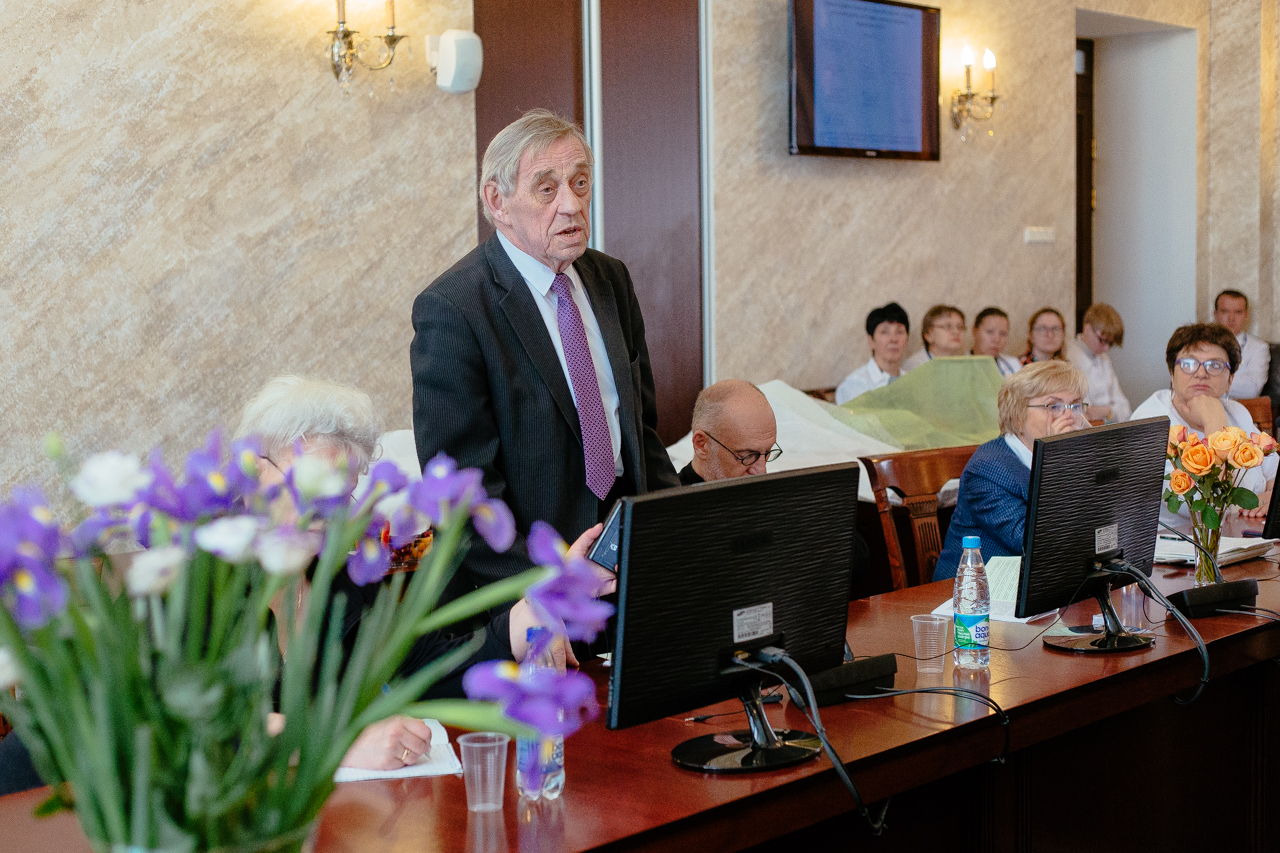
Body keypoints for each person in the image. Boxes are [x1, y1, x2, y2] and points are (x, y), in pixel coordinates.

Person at [236, 376, 606, 771]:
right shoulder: (206, 581)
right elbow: (205, 728)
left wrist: (529, 614)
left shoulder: (346, 580)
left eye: (342, 495)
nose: (330, 513)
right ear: (255, 472)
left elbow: (428, 668)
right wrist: (342, 744)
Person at [410, 109, 678, 604]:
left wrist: (677, 533)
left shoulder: (611, 279)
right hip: (531, 584)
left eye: (580, 183)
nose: (572, 205)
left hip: (632, 561)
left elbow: (641, 433)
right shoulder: (454, 308)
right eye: (547, 189)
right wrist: (552, 580)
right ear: (498, 201)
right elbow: (462, 496)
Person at [934, 361, 1090, 580]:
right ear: (1017, 416)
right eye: (1054, 406)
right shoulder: (987, 469)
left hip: (1045, 583)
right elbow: (1035, 542)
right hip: (974, 593)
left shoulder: (1074, 458)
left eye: (1075, 406)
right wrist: (1058, 461)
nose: (1069, 417)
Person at [1131, 323, 1277, 528]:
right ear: (1172, 373)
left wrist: (1270, 497)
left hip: (1246, 536)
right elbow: (1210, 506)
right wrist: (1213, 422)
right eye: (1189, 364)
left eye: (1215, 365)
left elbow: (1274, 473)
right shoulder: (1150, 421)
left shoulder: (1237, 412)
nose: (1201, 373)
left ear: (1230, 380)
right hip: (1182, 544)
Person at [680, 380, 781, 484]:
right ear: (701, 445)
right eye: (747, 456)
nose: (762, 471)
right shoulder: (674, 494)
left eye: (767, 453)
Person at [1064, 302, 1131, 422]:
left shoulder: (1104, 359)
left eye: (1111, 344)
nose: (1107, 348)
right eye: (1102, 340)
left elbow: (1126, 410)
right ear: (1087, 329)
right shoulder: (1068, 357)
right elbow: (1085, 412)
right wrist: (1111, 411)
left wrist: (1106, 411)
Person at [835, 302, 910, 403]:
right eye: (884, 332)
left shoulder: (913, 382)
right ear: (871, 341)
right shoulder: (853, 385)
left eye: (899, 332)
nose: (893, 339)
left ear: (907, 340)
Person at [1213, 289, 1272, 400]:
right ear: (1216, 314)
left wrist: (1208, 378)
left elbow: (1253, 389)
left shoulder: (1259, 348)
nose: (1231, 318)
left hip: (1240, 408)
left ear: (1246, 315)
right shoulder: (1200, 344)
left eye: (1238, 312)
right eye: (1225, 311)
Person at [902, 305, 966, 372]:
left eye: (960, 327)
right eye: (947, 326)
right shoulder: (915, 366)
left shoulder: (963, 364)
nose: (956, 332)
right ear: (928, 335)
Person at [970, 307, 1021, 377]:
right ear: (974, 331)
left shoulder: (1014, 365)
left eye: (1003, 334)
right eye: (990, 332)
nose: (997, 340)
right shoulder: (959, 366)